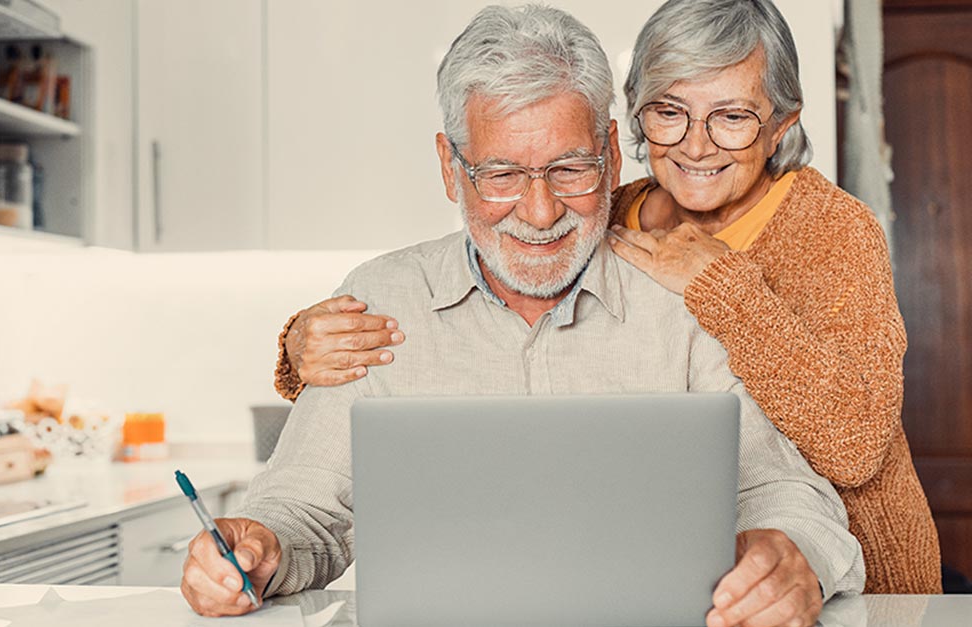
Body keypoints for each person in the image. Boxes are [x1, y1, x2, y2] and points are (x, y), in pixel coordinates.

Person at [182, 5, 864, 625]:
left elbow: (792, 496)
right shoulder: (382, 299)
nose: (541, 214)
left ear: (612, 153)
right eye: (502, 175)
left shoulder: (686, 295)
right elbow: (303, 509)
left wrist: (790, 553)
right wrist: (256, 546)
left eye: (570, 170)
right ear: (451, 167)